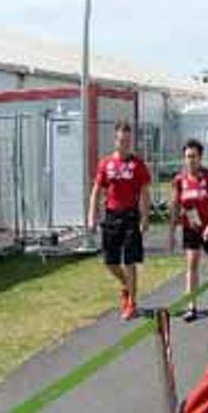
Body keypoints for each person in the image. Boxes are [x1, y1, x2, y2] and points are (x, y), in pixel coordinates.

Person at [86, 120, 153, 319]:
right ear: (115, 140)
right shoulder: (106, 164)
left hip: (131, 215)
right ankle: (126, 285)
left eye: (127, 140)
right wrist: (92, 216)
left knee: (130, 261)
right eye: (121, 140)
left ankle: (132, 302)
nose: (124, 144)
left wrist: (145, 217)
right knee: (110, 262)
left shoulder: (137, 164)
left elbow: (144, 192)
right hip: (111, 215)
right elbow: (97, 190)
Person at [167, 139, 208, 321]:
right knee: (191, 263)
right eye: (187, 157)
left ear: (200, 158)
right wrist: (171, 233)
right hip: (190, 228)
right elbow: (175, 206)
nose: (190, 161)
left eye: (194, 156)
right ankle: (191, 305)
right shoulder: (179, 180)